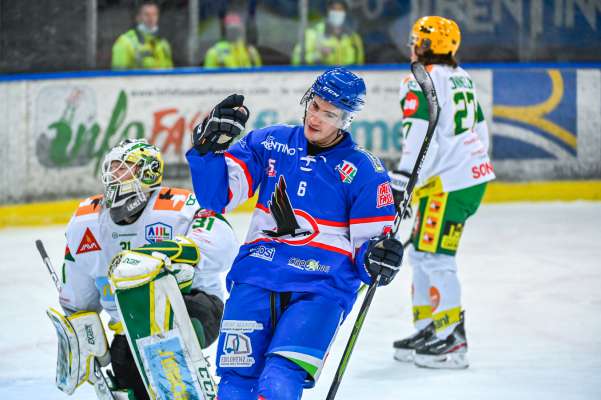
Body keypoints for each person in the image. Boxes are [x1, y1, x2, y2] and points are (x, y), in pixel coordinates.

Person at [185, 67, 404, 399]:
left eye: (329, 113)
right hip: (257, 275)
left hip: (320, 289)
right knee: (235, 383)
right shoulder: (270, 143)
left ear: (346, 119)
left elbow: (369, 254)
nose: (316, 118)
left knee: (279, 381)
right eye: (314, 106)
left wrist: (380, 257)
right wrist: (205, 152)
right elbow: (217, 198)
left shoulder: (364, 171)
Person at [56, 139, 237, 399]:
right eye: (112, 167)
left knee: (169, 338)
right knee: (126, 373)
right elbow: (78, 289)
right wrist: (81, 328)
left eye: (123, 168)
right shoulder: (86, 220)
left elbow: (223, 246)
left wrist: (171, 254)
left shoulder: (178, 207)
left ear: (147, 172)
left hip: (193, 306)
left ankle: (183, 369)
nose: (113, 175)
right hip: (128, 325)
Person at [390, 16, 495, 369]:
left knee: (435, 258)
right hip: (459, 179)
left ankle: (452, 340)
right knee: (422, 254)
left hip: (448, 184)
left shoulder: (421, 79)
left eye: (416, 41)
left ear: (423, 46)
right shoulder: (461, 78)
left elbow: (421, 136)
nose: (412, 47)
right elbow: (480, 131)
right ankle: (430, 327)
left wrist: (404, 179)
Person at [292, 0, 364, 66]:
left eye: (340, 9)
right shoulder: (313, 33)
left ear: (345, 12)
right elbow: (296, 60)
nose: (337, 12)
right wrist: (318, 55)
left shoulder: (354, 37)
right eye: (333, 9)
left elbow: (361, 66)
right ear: (328, 10)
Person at [111, 1, 173, 69]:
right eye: (147, 14)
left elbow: (171, 72)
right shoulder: (125, 41)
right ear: (138, 17)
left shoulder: (163, 43)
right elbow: (118, 75)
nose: (151, 18)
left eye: (154, 14)